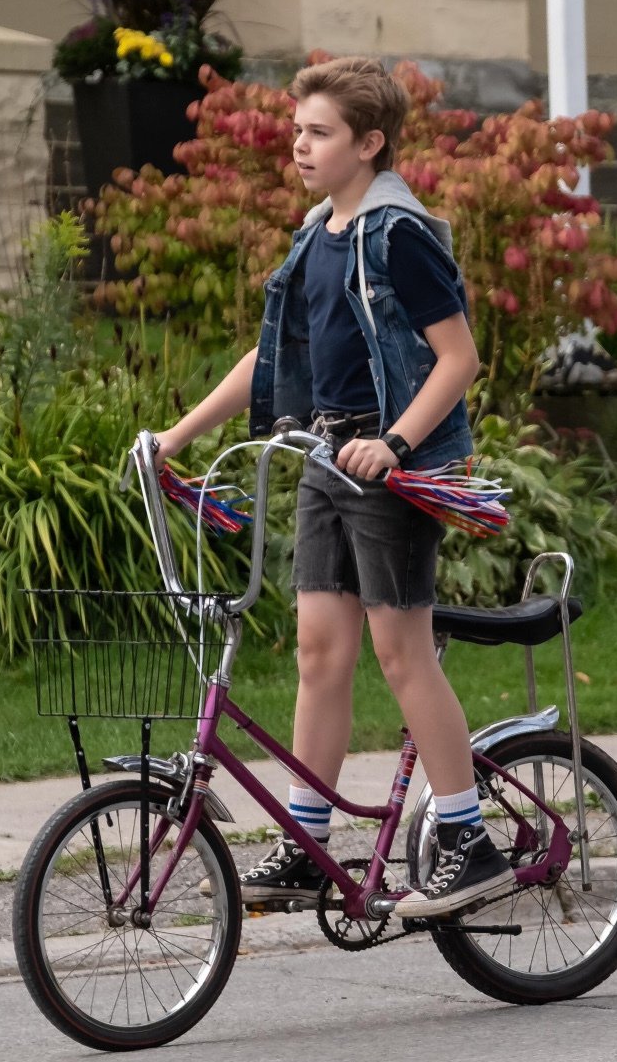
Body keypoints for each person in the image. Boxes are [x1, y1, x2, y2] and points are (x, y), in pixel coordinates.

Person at [156, 56, 510, 919]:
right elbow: (271, 358)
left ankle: (466, 839)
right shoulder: (317, 233)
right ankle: (310, 842)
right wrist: (176, 436)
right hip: (322, 462)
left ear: (371, 143)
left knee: (401, 653)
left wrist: (394, 445)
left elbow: (458, 358)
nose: (299, 148)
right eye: (298, 132)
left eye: (318, 134)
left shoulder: (399, 235)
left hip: (389, 470)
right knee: (320, 652)